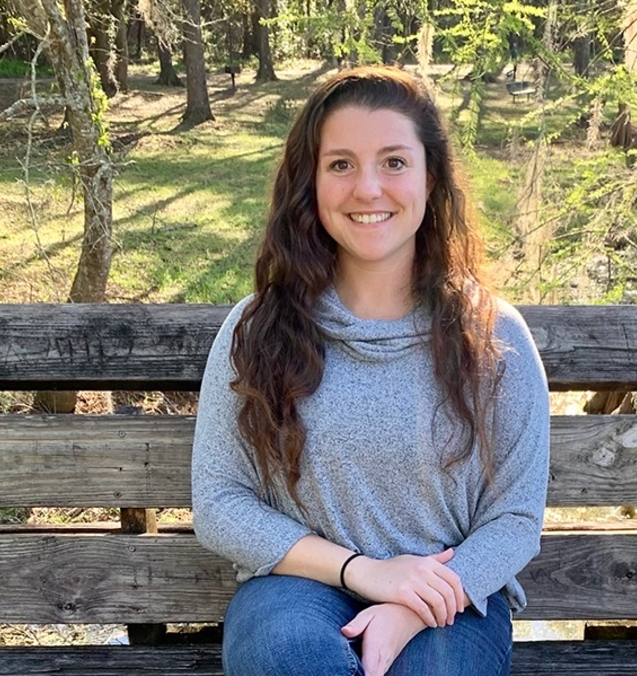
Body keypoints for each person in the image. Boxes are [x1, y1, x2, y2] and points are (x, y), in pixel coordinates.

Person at [191, 66, 550, 676]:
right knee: (289, 658)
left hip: (450, 596)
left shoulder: (493, 337)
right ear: (310, 182)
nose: (368, 189)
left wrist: (412, 604)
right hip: (296, 585)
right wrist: (365, 573)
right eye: (341, 164)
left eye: (393, 162)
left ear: (430, 178)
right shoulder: (258, 329)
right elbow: (220, 503)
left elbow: (515, 520)